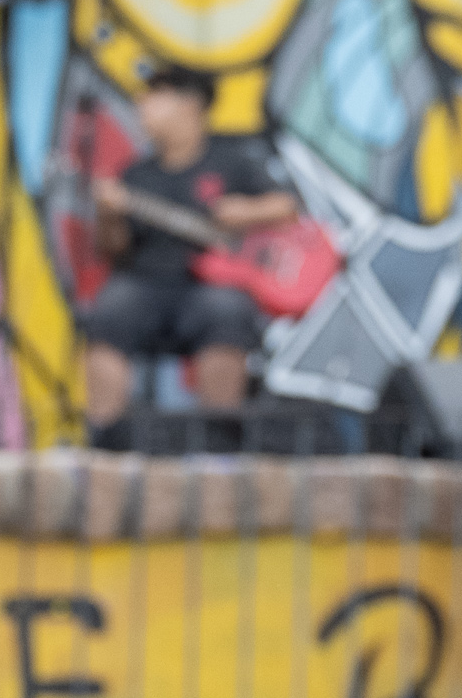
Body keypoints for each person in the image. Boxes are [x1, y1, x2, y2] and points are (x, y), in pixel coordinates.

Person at [82, 63, 299, 427]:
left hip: (210, 288)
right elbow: (114, 251)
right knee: (109, 310)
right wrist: (109, 217)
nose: (142, 106)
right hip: (146, 284)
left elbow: (288, 207)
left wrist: (245, 211)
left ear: (189, 104)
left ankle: (218, 438)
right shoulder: (136, 175)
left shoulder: (232, 160)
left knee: (227, 311)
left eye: (155, 96)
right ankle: (104, 436)